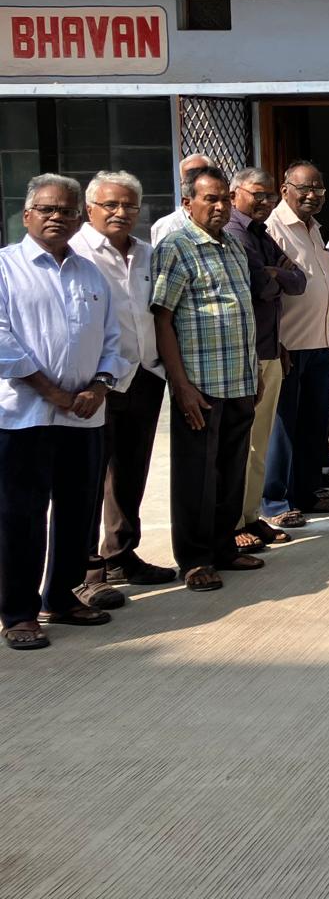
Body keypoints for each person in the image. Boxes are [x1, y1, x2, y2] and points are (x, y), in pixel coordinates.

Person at [0, 174, 125, 648]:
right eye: (48, 209)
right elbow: (2, 339)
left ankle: (63, 597)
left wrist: (99, 385)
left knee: (77, 512)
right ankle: (18, 612)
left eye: (68, 211)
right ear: (27, 215)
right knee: (20, 516)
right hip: (23, 417)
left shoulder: (90, 273)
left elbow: (113, 339)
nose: (58, 217)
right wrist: (50, 391)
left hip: (84, 416)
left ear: (78, 218)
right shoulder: (6, 268)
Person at [151, 165, 261, 592]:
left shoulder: (232, 246)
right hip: (200, 385)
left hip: (239, 379)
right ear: (187, 204)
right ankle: (195, 559)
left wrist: (254, 371)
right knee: (196, 476)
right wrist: (180, 386)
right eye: (209, 199)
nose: (219, 207)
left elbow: (243, 313)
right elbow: (162, 319)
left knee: (231, 471)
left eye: (224, 199)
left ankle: (223, 547)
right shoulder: (176, 247)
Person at [70, 171, 174, 595]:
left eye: (130, 205)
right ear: (89, 209)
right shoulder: (76, 253)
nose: (121, 212)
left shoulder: (147, 254)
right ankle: (85, 573)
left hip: (145, 375)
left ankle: (120, 555)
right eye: (110, 204)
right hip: (96, 382)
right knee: (89, 479)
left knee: (131, 473)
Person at [225, 167, 306, 552]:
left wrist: (273, 275)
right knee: (241, 446)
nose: (265, 202)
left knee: (259, 442)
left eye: (269, 196)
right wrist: (274, 276)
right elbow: (259, 285)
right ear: (234, 195)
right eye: (257, 194)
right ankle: (233, 523)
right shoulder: (234, 233)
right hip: (245, 353)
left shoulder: (260, 233)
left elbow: (299, 280)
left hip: (269, 348)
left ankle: (250, 515)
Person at [262, 162, 329, 530]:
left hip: (319, 340)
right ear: (285, 190)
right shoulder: (273, 228)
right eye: (305, 188)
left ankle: (307, 491)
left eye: (319, 189)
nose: (313, 195)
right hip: (288, 345)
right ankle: (275, 500)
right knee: (282, 428)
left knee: (314, 422)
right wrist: (276, 340)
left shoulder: (314, 229)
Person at [149, 153, 214, 244]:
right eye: (188, 179)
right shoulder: (168, 226)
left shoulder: (225, 219)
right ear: (182, 184)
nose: (193, 182)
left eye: (199, 176)